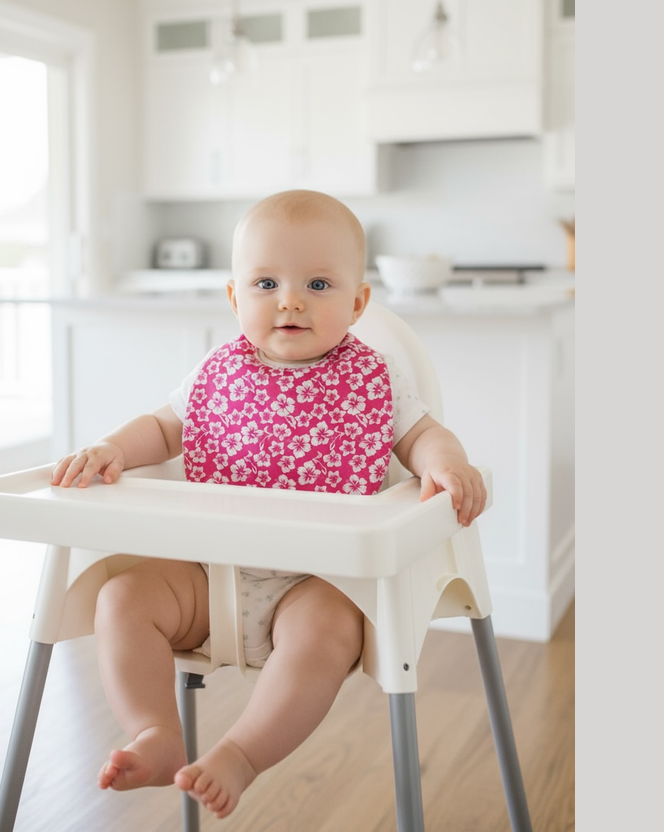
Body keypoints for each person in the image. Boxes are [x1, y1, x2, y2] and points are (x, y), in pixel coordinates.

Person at [51, 189, 487, 819]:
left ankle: (242, 754)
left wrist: (446, 463)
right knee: (121, 598)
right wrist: (112, 448)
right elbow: (164, 428)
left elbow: (422, 436)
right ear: (235, 298)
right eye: (265, 283)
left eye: (318, 284)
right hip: (208, 572)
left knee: (326, 633)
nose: (290, 300)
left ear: (357, 303)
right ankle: (155, 731)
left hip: (316, 581)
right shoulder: (215, 373)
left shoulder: (375, 379)